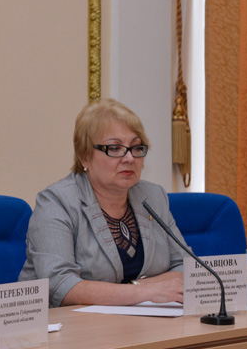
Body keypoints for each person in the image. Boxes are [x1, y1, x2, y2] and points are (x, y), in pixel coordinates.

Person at [18, 99, 186, 307]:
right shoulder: (57, 202)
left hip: (142, 321)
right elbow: (59, 284)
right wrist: (143, 290)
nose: (129, 158)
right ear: (84, 157)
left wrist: (137, 289)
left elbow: (185, 266)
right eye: (114, 148)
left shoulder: (152, 196)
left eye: (136, 147)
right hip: (65, 324)